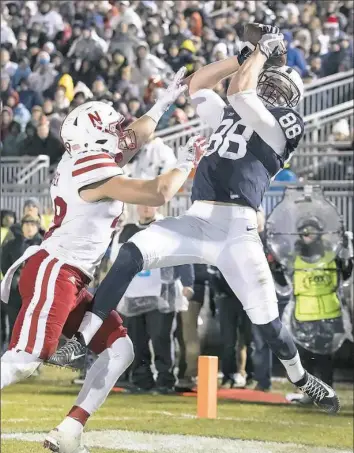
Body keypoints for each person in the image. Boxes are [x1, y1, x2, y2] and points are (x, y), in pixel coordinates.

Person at [49, 24, 340, 414]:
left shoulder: (282, 126)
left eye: (281, 91)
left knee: (269, 326)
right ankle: (82, 340)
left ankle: (302, 378)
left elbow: (240, 92)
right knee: (132, 252)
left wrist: (262, 53)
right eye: (270, 83)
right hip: (197, 219)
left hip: (238, 233)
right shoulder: (231, 110)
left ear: (292, 103)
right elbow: (198, 85)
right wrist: (243, 56)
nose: (272, 92)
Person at [0, 68, 205, 453]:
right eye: (112, 128)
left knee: (121, 348)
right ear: (95, 136)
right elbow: (158, 192)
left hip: (71, 275)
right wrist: (184, 161)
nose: (121, 134)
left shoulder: (82, 158)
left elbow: (136, 137)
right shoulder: (90, 166)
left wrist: (164, 101)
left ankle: (70, 430)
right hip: (55, 269)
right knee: (24, 360)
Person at [116, 205, 194, 394]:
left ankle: (165, 380)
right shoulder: (128, 231)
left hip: (162, 295)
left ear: (157, 205)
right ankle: (142, 380)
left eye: (149, 203)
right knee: (136, 340)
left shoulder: (168, 228)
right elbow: (116, 260)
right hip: (133, 296)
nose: (145, 208)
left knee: (161, 338)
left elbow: (183, 254)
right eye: (141, 204)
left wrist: (187, 282)